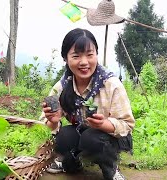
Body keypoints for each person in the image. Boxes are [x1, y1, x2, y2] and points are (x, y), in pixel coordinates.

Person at [41, 28, 135, 180]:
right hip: (83, 131)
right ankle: (74, 161)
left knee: (91, 138)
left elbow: (127, 125)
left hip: (112, 137)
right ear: (66, 58)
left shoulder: (111, 84)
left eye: (90, 55)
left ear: (96, 55)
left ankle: (111, 168)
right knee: (63, 137)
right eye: (76, 56)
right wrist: (53, 121)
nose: (84, 62)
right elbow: (46, 123)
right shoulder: (63, 86)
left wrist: (104, 124)